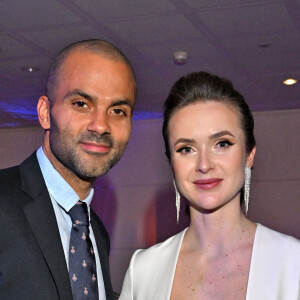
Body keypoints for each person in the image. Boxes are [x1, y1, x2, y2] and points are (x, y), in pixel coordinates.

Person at [119, 71, 300, 299]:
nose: (204, 164)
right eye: (186, 149)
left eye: (222, 144)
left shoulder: (293, 264)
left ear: (249, 155)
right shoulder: (143, 270)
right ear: (172, 164)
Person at [0, 39, 136, 300]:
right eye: (81, 104)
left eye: (117, 110)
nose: (100, 125)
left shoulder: (95, 233)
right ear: (45, 112)